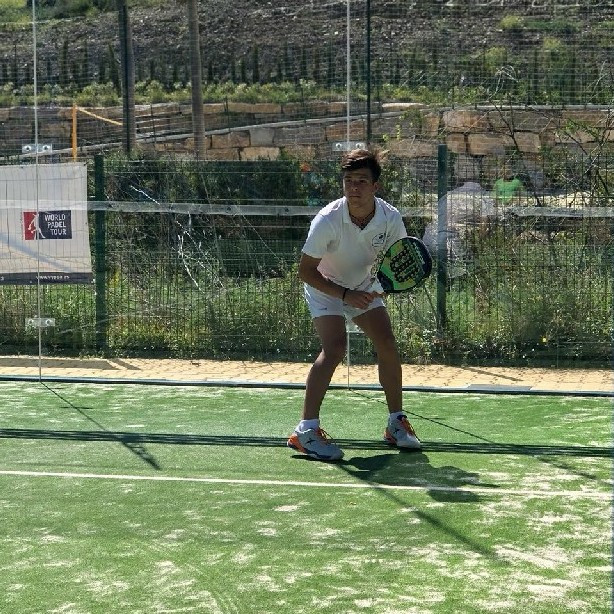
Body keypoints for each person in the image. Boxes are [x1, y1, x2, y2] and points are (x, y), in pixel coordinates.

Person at [287, 148, 421, 461]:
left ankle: (396, 423)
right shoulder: (328, 220)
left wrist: (380, 288)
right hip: (325, 287)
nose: (354, 187)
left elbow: (399, 259)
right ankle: (305, 432)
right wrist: (345, 295)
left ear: (376, 186)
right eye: (348, 180)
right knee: (335, 348)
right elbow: (305, 272)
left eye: (361, 181)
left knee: (387, 342)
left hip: (362, 286)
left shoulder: (390, 218)